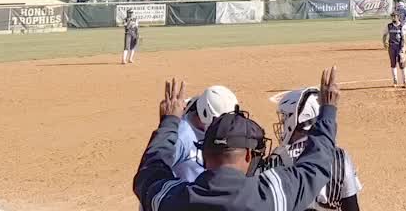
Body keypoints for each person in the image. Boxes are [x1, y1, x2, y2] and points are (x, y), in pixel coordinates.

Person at [133, 68, 348, 211]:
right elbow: (316, 165)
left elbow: (149, 172)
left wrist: (170, 121)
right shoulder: (269, 196)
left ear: (204, 156)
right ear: (247, 155)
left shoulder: (175, 199)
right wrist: (327, 110)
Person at [274, 87, 362, 210]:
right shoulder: (340, 158)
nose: (283, 124)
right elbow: (352, 206)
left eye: (285, 118)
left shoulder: (276, 160)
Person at [172, 85, 240, 182]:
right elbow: (157, 169)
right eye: (221, 121)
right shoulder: (181, 137)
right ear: (205, 115)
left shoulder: (220, 130)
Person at [383, 12, 406, 88]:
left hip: (400, 47)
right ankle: (395, 81)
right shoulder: (389, 26)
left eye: (395, 16)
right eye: (392, 16)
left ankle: (405, 82)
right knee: (393, 63)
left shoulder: (402, 26)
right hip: (392, 47)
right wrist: (384, 42)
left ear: (398, 17)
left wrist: (403, 48)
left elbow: (403, 38)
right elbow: (385, 35)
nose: (393, 18)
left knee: (402, 64)